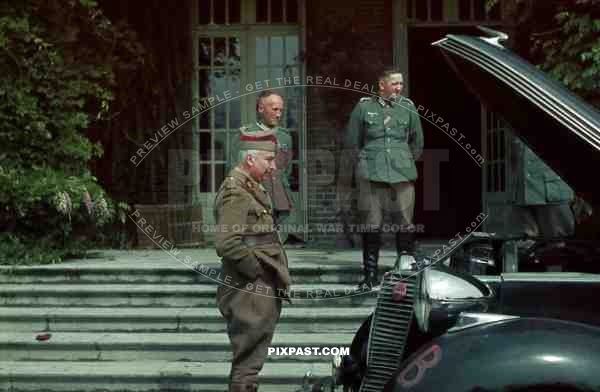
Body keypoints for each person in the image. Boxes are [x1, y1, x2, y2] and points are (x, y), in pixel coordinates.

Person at [215, 130, 292, 392]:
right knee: (247, 365)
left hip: (256, 287)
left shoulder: (250, 187)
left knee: (251, 361)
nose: (272, 166)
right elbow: (227, 243)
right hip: (249, 289)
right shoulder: (236, 191)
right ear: (250, 159)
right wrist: (257, 271)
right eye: (268, 160)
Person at [343, 69, 424, 288]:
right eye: (395, 83)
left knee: (405, 225)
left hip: (402, 175)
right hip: (371, 175)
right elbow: (352, 142)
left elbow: (417, 142)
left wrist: (403, 160)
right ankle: (370, 277)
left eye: (401, 84)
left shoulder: (408, 107)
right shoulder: (363, 107)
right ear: (381, 85)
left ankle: (404, 277)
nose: (399, 87)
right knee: (371, 225)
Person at [229, 90, 294, 242]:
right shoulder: (244, 135)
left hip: (279, 197)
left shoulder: (285, 136)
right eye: (274, 109)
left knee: (278, 244)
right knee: (255, 243)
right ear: (260, 109)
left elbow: (286, 169)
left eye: (281, 110)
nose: (278, 114)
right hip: (254, 197)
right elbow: (234, 168)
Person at [510, 135, 576, 239]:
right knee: (527, 245)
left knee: (558, 244)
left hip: (551, 192)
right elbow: (513, 159)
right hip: (523, 193)